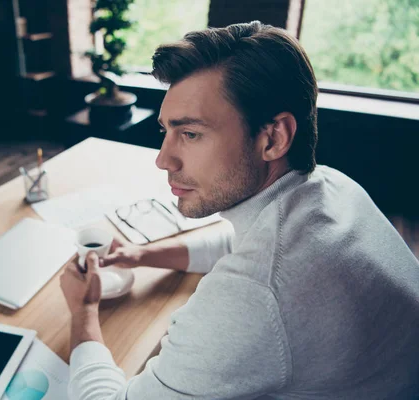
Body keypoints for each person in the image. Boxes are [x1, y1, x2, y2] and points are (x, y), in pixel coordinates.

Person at [60, 21, 419, 399]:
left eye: (191, 133)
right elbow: (248, 243)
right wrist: (143, 255)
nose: (163, 160)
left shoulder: (250, 298)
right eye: (164, 131)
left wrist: (83, 311)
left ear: (273, 138)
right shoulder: (332, 187)